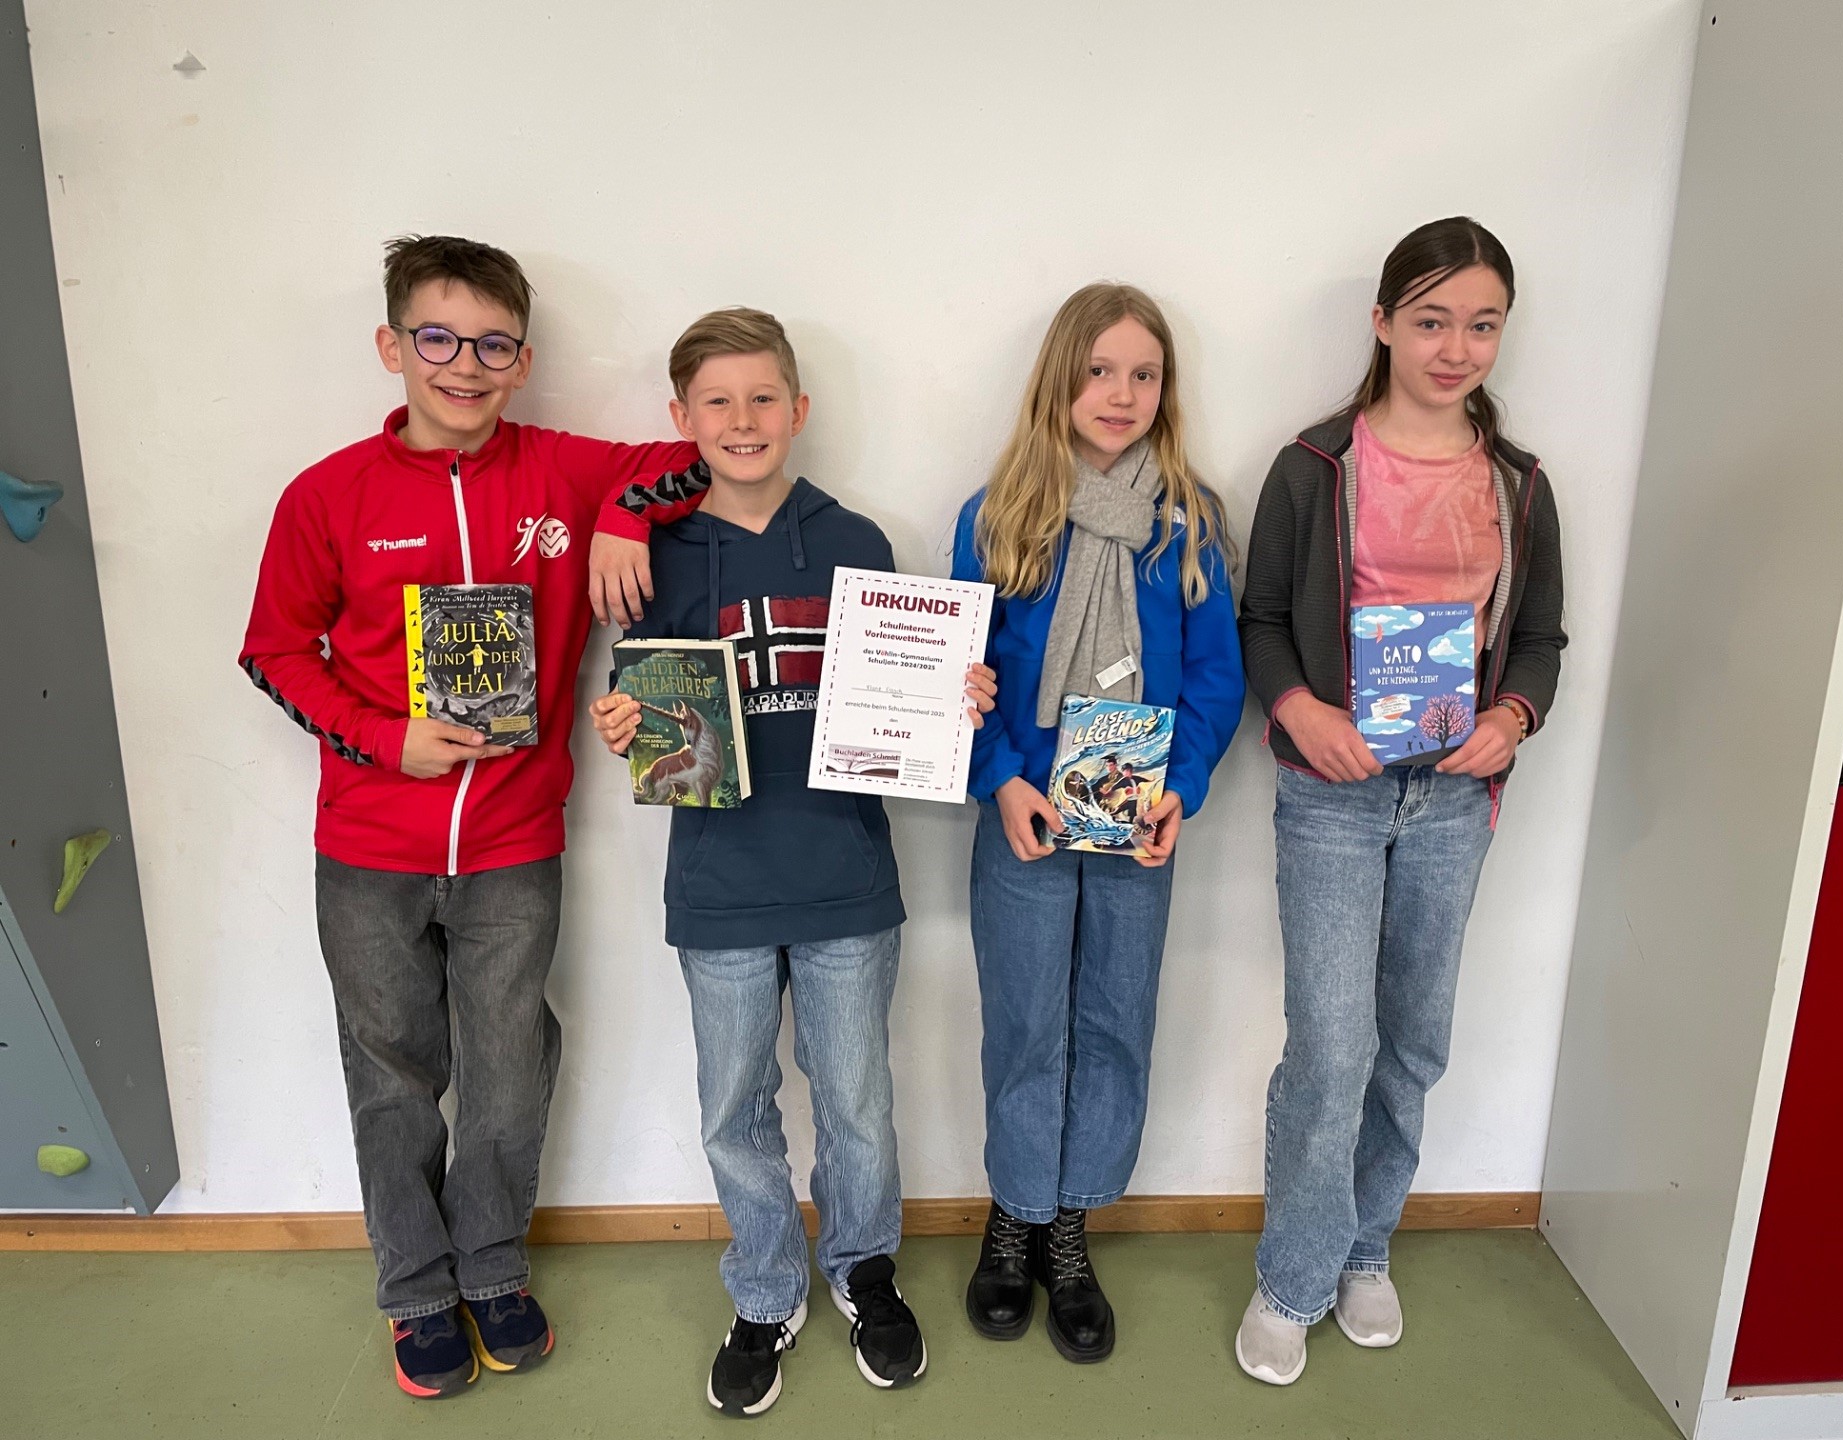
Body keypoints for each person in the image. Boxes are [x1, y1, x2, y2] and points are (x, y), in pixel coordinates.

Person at [238, 234, 690, 1399]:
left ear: (523, 361)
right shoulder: (327, 494)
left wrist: (624, 512)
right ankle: (415, 1287)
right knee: (391, 1074)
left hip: (513, 843)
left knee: (507, 1069)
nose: (465, 365)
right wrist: (383, 737)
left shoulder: (563, 472)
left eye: (493, 344)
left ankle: (491, 1266)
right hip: (370, 847)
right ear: (391, 346)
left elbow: (696, 456)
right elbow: (274, 651)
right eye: (437, 338)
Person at [586, 308, 996, 1417]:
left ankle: (864, 1270)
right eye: (717, 401)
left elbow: (912, 703)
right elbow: (640, 689)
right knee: (734, 1106)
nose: (743, 419)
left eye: (763, 396)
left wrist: (954, 698)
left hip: (844, 878)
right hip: (716, 883)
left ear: (799, 409)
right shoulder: (655, 551)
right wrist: (623, 720)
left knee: (857, 1099)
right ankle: (765, 1293)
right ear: (681, 418)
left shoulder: (858, 540)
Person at [1234, 217, 1567, 1387]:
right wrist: (1300, 712)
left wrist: (1511, 718)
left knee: (1413, 1041)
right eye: (1430, 321)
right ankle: (1293, 1275)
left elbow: (1540, 641)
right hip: (1332, 793)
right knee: (1331, 1048)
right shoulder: (1313, 467)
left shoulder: (1519, 484)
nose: (1455, 347)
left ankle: (1365, 1246)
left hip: (1453, 801)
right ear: (1381, 323)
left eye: (1482, 325)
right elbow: (1261, 621)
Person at [951, 282, 1244, 1363]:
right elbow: (962, 672)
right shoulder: (998, 516)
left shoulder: (1190, 524)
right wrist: (1001, 778)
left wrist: (1183, 787)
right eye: (1099, 370)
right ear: (1059, 379)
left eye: (1143, 374)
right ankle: (1015, 1214)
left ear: (1166, 388)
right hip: (1026, 818)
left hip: (1136, 821)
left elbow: (1216, 677)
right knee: (1026, 1021)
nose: (1120, 394)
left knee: (1116, 1021)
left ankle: (1070, 1224)